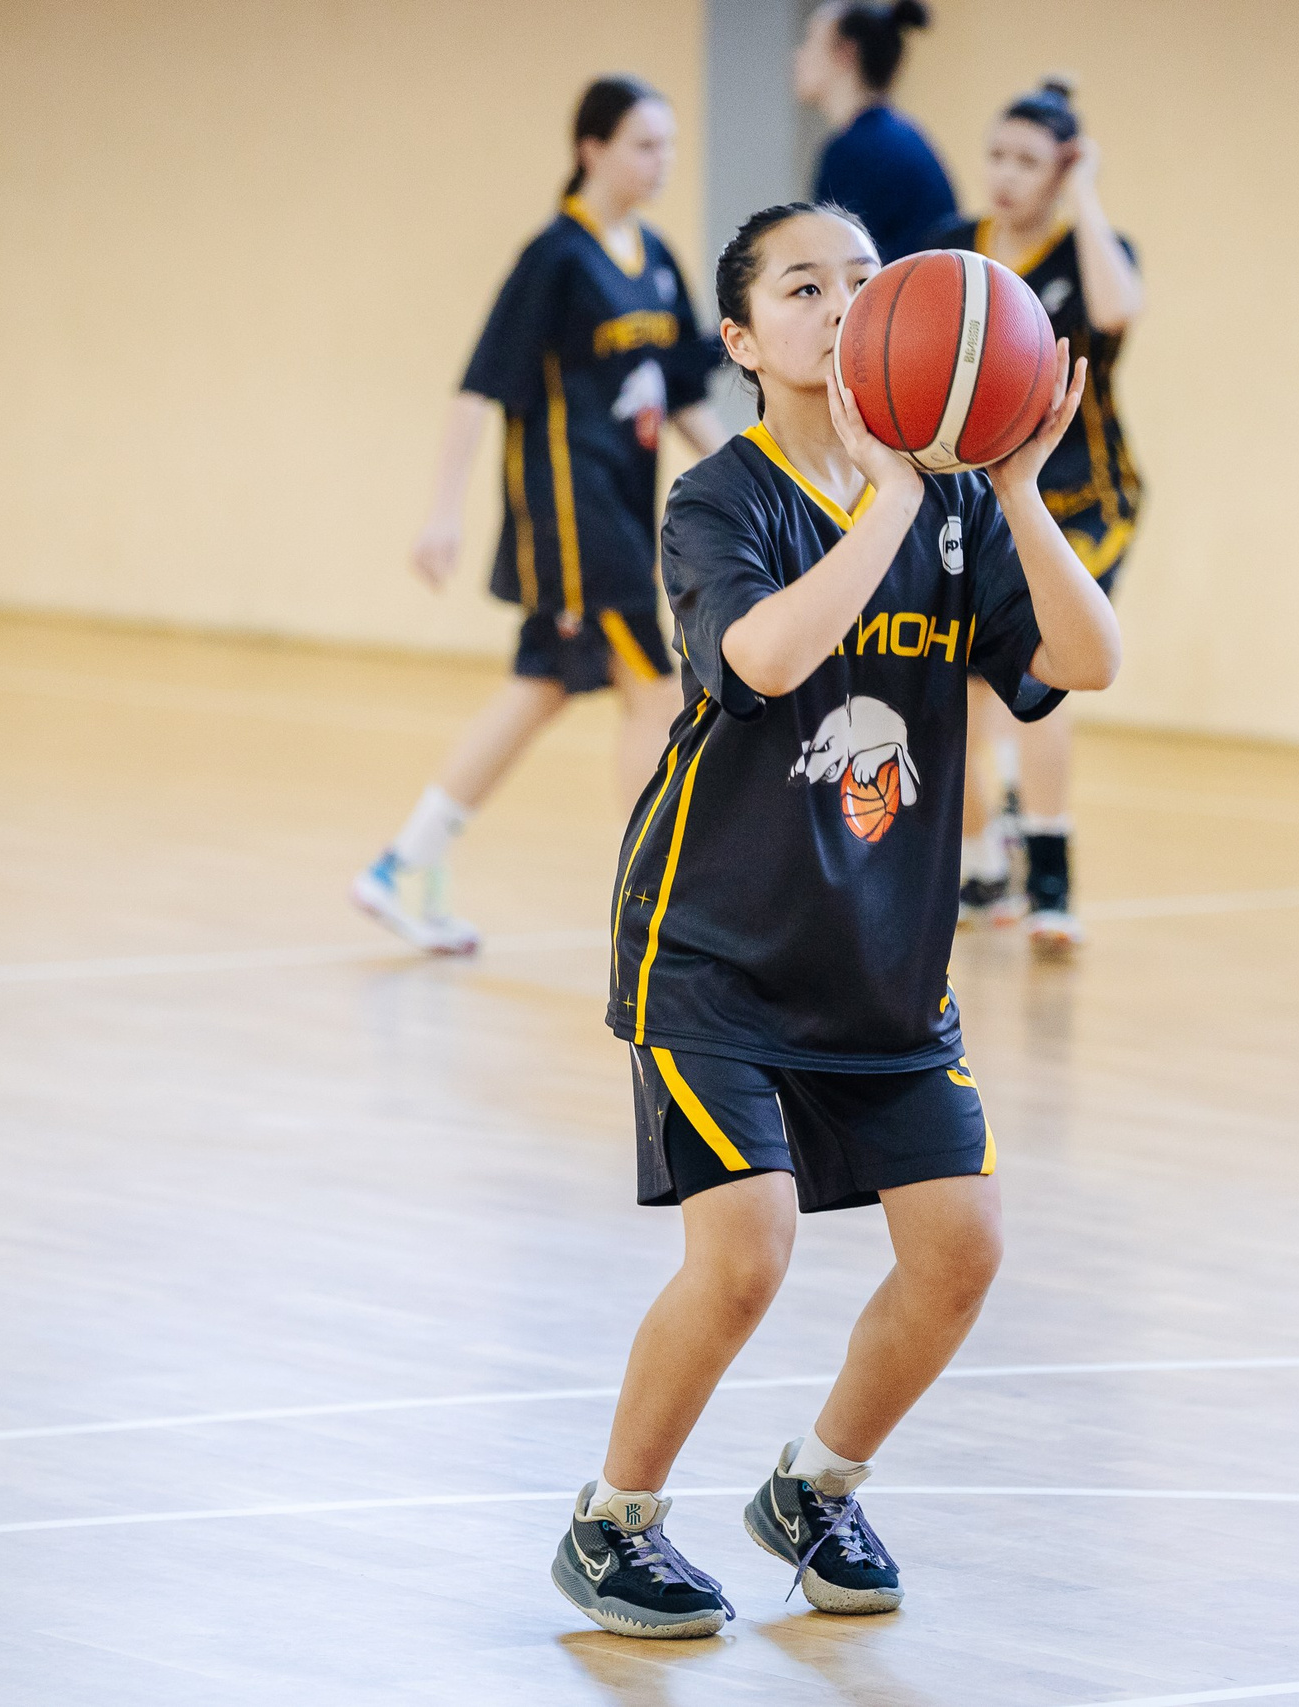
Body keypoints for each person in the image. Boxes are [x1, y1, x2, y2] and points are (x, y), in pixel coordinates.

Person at [551, 202, 1119, 1639]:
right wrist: (890, 501)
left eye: (864, 280)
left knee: (962, 1245)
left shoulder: (959, 503)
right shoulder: (718, 499)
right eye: (804, 287)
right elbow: (762, 653)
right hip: (716, 951)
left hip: (882, 961)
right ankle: (612, 1524)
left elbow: (1089, 657)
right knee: (744, 1253)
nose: (844, 303)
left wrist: (1023, 488)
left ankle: (816, 1487)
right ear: (744, 339)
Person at [353, 76, 725, 954]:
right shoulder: (554, 259)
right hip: (571, 516)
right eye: (643, 144)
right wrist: (442, 512)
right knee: (659, 689)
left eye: (669, 145)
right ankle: (659, 900)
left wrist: (757, 478)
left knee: (541, 688)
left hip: (626, 514)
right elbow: (481, 387)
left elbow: (679, 399)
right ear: (590, 149)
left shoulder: (659, 260)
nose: (660, 161)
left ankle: (404, 864)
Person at [928, 79, 1143, 949]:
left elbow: (1119, 312)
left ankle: (1051, 871)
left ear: (1061, 170)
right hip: (981, 495)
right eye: (998, 156)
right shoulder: (955, 250)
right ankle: (984, 861)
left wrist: (1085, 193)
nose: (1008, 176)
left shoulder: (1094, 248)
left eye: (1031, 161)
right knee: (975, 684)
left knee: (1046, 678)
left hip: (1080, 497)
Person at [795, 2, 956, 263]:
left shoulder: (857, 152)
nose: (798, 55)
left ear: (846, 52)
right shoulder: (895, 137)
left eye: (810, 41)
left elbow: (836, 267)